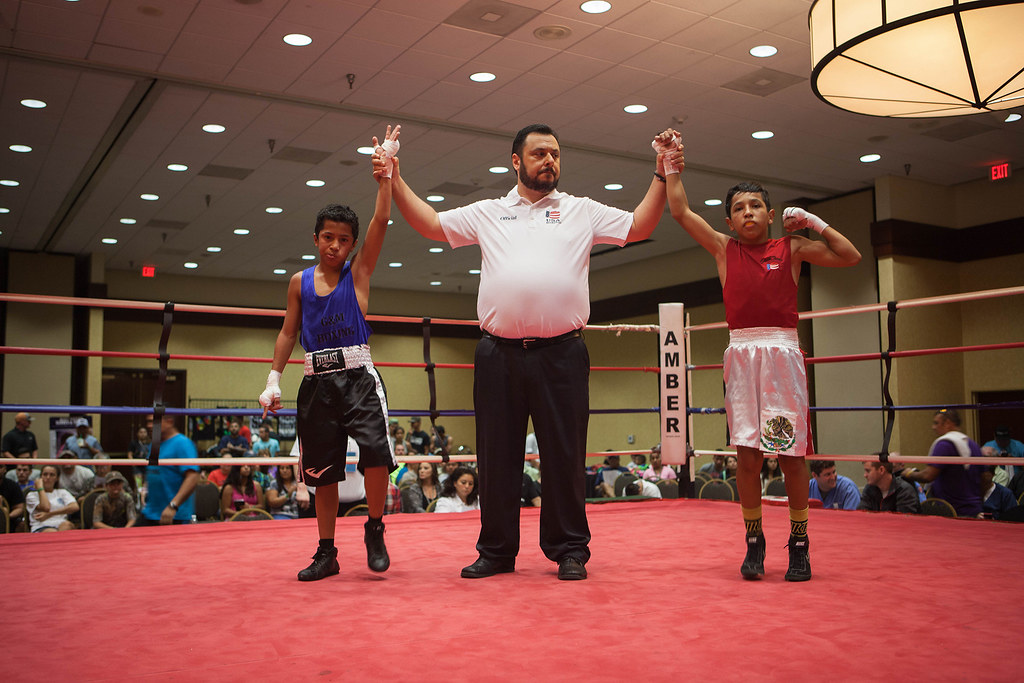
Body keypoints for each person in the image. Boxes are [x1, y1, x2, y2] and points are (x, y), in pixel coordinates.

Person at [386, 121, 671, 580]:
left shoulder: (581, 210)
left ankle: (569, 550)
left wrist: (660, 173)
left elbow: (640, 225)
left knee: (565, 454)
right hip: (498, 353)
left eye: (555, 154)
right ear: (516, 161)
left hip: (563, 353)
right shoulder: (489, 211)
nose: (549, 161)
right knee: (496, 456)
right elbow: (432, 225)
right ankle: (497, 551)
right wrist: (394, 176)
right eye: (539, 154)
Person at [664, 130, 862, 582]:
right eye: (738, 208)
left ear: (771, 215)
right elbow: (679, 210)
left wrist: (812, 221)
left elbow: (849, 256)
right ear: (731, 221)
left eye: (754, 206)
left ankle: (799, 543)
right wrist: (670, 161)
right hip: (741, 357)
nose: (747, 213)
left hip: (781, 357)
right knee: (748, 456)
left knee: (790, 454)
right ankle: (754, 541)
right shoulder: (722, 249)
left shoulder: (790, 248)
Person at [258, 126, 398, 582]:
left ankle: (374, 527)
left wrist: (386, 178)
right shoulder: (299, 282)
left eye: (343, 239)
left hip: (358, 378)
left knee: (376, 453)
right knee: (321, 471)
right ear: (316, 238)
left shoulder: (358, 275)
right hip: (316, 381)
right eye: (328, 237)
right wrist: (272, 380)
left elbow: (380, 222)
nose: (335, 245)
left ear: (352, 244)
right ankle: (326, 551)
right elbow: (286, 333)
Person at [901, 409, 984, 518]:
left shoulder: (945, 444)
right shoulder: (973, 445)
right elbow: (985, 478)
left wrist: (909, 473)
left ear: (948, 423)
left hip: (952, 511)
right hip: (973, 510)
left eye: (936, 423)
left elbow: (928, 475)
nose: (933, 427)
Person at [139, 414, 200, 526]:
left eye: (153, 421)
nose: (149, 425)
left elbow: (193, 477)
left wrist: (173, 505)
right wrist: (145, 489)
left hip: (174, 516)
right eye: (148, 422)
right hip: (151, 512)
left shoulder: (182, 443)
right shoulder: (155, 444)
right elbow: (153, 470)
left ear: (169, 421)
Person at [26, 464, 78, 532]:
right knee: (52, 532)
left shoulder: (62, 492)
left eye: (52, 475)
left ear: (57, 478)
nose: (48, 477)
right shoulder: (32, 495)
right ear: (40, 477)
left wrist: (50, 514)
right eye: (45, 474)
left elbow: (75, 507)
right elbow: (46, 507)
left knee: (67, 525)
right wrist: (40, 489)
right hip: (41, 526)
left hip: (61, 524)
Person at [0, 459, 26, 532]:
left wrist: (5, 516)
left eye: (0, 467)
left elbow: (19, 508)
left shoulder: (12, 485)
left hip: (9, 520)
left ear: (5, 469)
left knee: (21, 525)